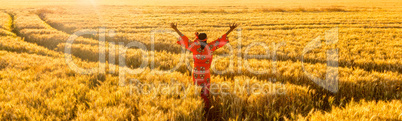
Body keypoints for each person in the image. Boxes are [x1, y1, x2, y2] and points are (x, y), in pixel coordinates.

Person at [170, 23, 238, 111]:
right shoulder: (210, 47)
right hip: (205, 73)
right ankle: (206, 108)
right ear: (206, 40)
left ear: (199, 40)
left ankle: (197, 107)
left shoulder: (194, 47)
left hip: (196, 73)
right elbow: (220, 40)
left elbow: (184, 39)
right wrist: (231, 30)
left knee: (196, 89)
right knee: (205, 91)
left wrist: (175, 29)